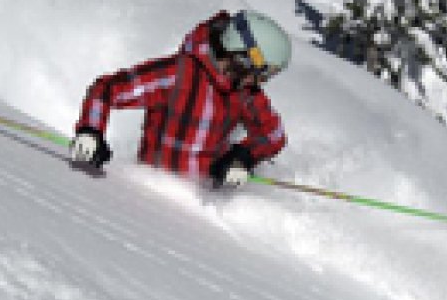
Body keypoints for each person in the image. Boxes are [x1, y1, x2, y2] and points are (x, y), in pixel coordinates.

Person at [68, 10, 291, 187]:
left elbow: (273, 134)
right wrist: (91, 131)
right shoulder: (177, 75)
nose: (261, 83)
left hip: (204, 203)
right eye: (263, 74)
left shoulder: (244, 92)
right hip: (150, 190)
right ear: (243, 57)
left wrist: (242, 157)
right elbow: (106, 89)